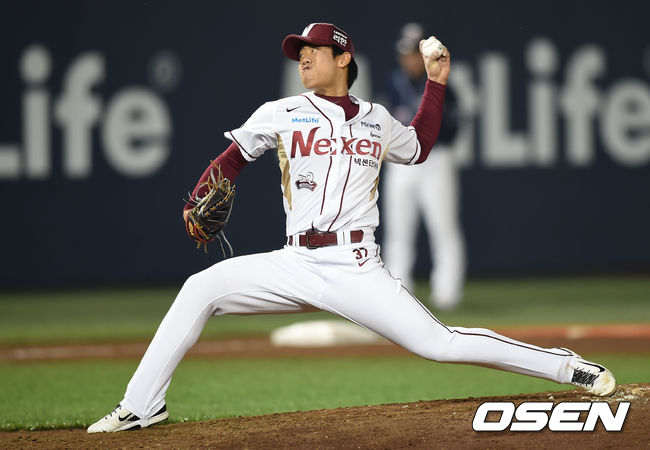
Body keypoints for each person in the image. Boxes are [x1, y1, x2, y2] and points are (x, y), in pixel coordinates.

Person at [87, 23, 616, 433]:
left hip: (356, 266)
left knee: (440, 343)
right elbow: (232, 159)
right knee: (200, 288)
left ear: (343, 58)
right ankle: (141, 405)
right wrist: (198, 196)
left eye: (312, 50)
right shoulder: (282, 111)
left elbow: (419, 146)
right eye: (299, 52)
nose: (302, 58)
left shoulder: (376, 118)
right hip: (294, 261)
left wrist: (435, 84)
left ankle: (566, 367)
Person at [382, 22, 465, 310]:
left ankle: (447, 292)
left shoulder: (444, 86)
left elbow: (452, 129)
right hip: (401, 161)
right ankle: (399, 290)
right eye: (405, 54)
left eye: (414, 55)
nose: (409, 60)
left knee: (443, 227)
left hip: (435, 159)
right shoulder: (394, 83)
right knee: (398, 230)